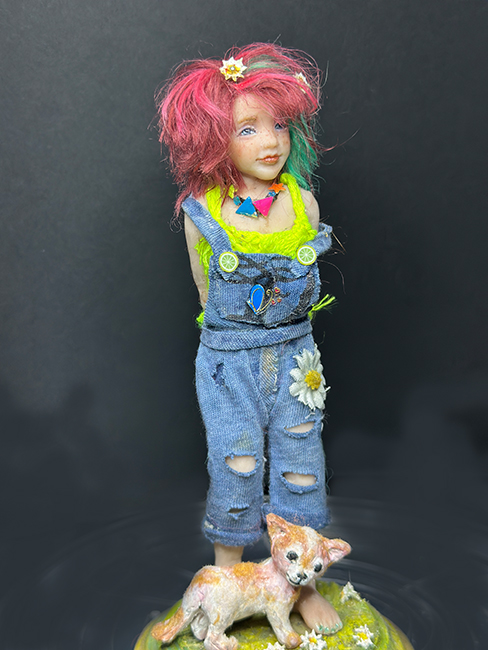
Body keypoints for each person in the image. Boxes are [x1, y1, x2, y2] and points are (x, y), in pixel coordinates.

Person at [157, 43, 341, 634]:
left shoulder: (303, 204)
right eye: (248, 128)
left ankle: (303, 585)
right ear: (214, 140)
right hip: (229, 363)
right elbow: (204, 292)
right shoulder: (202, 213)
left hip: (296, 359)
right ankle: (227, 577)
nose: (271, 141)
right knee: (234, 461)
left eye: (280, 125)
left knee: (301, 464)